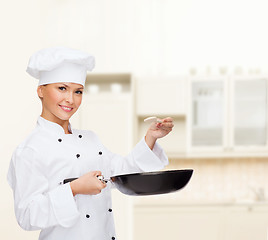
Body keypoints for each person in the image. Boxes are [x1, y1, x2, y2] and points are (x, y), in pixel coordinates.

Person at [7, 47, 174, 240]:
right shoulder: (30, 150)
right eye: (62, 88)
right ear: (40, 90)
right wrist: (74, 189)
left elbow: (122, 172)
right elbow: (27, 215)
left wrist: (151, 137)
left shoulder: (90, 139)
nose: (70, 99)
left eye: (78, 91)